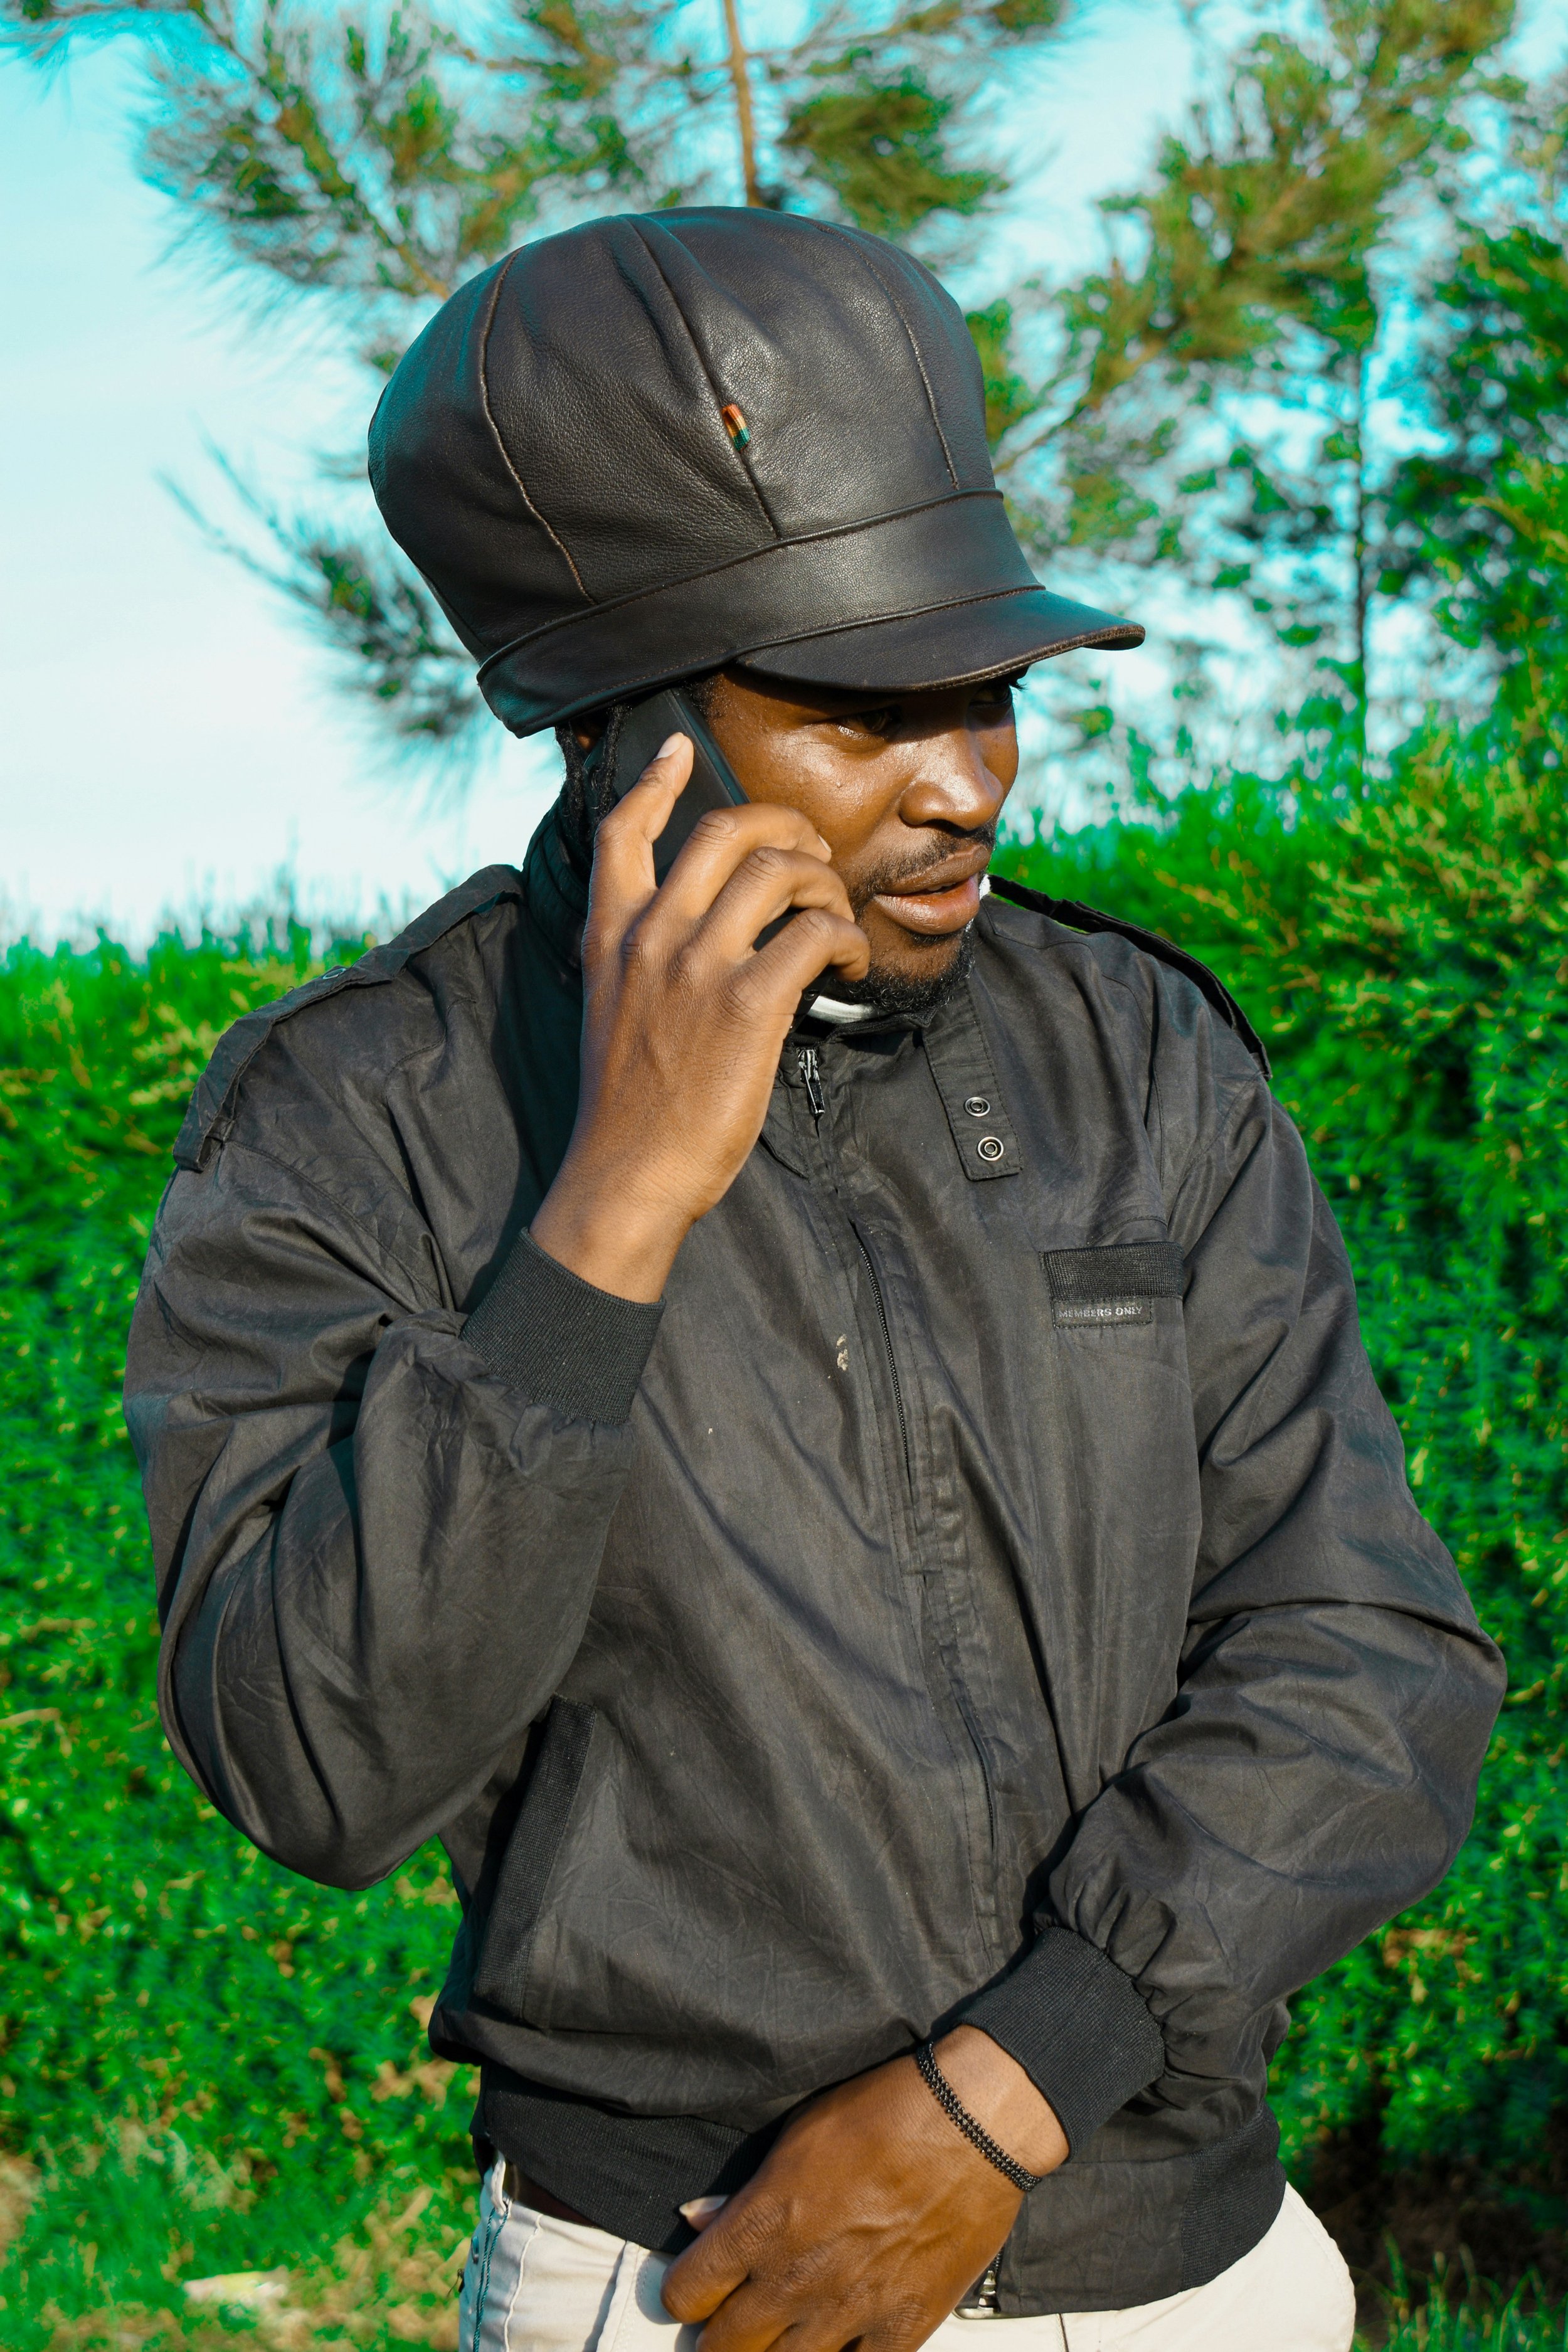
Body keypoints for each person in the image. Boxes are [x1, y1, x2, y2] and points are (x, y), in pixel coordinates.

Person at [125, 209, 1503, 2352]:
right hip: (698, 2289)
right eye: (863, 708)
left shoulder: (1135, 1053)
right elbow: (317, 1764)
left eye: (989, 689)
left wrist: (1009, 2086)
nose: (967, 782)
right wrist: (605, 1219)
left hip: (1196, 2277)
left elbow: (1370, 1647)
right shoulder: (354, 1113)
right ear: (617, 728)